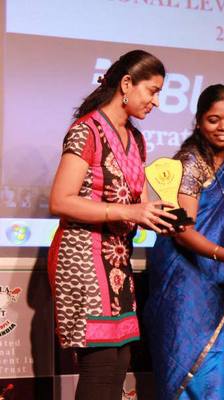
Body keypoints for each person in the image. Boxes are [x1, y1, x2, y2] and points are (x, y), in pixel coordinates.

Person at [47, 50, 176, 400]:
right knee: (101, 364)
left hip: (116, 262)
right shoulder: (85, 131)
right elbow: (61, 201)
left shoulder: (136, 139)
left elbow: (136, 207)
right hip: (82, 256)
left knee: (119, 361)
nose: (156, 101)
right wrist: (129, 212)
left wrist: (158, 216)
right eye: (152, 91)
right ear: (126, 84)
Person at [143, 84, 224, 399]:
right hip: (188, 285)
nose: (222, 127)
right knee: (195, 373)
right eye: (214, 120)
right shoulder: (189, 162)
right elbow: (182, 230)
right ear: (199, 121)